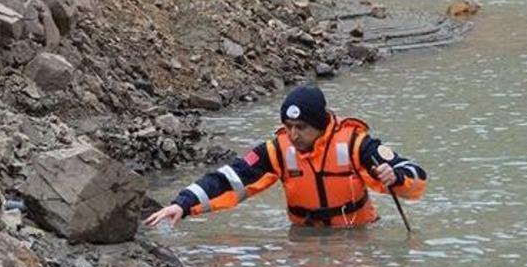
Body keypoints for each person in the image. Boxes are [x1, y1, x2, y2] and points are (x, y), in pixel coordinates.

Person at [144, 85, 427, 228]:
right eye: (288, 127)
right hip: (304, 237)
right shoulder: (277, 150)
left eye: (301, 128)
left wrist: (396, 176)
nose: (293, 135)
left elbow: (415, 175)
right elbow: (229, 179)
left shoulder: (355, 144)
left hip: (358, 235)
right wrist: (182, 205)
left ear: (319, 125)